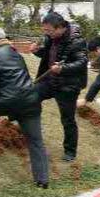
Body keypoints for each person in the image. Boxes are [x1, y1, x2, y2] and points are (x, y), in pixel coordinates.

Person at [0, 26, 50, 189]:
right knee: (35, 140)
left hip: (8, 101)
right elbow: (8, 72)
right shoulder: (15, 53)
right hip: (30, 101)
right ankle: (42, 180)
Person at [31, 12, 88, 163]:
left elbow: (82, 62)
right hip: (50, 80)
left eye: (49, 30)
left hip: (68, 85)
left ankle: (70, 151)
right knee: (31, 96)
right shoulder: (51, 37)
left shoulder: (76, 41)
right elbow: (48, 54)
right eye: (45, 30)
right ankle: (33, 132)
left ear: (60, 27)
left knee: (67, 119)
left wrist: (63, 68)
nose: (46, 33)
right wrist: (37, 51)